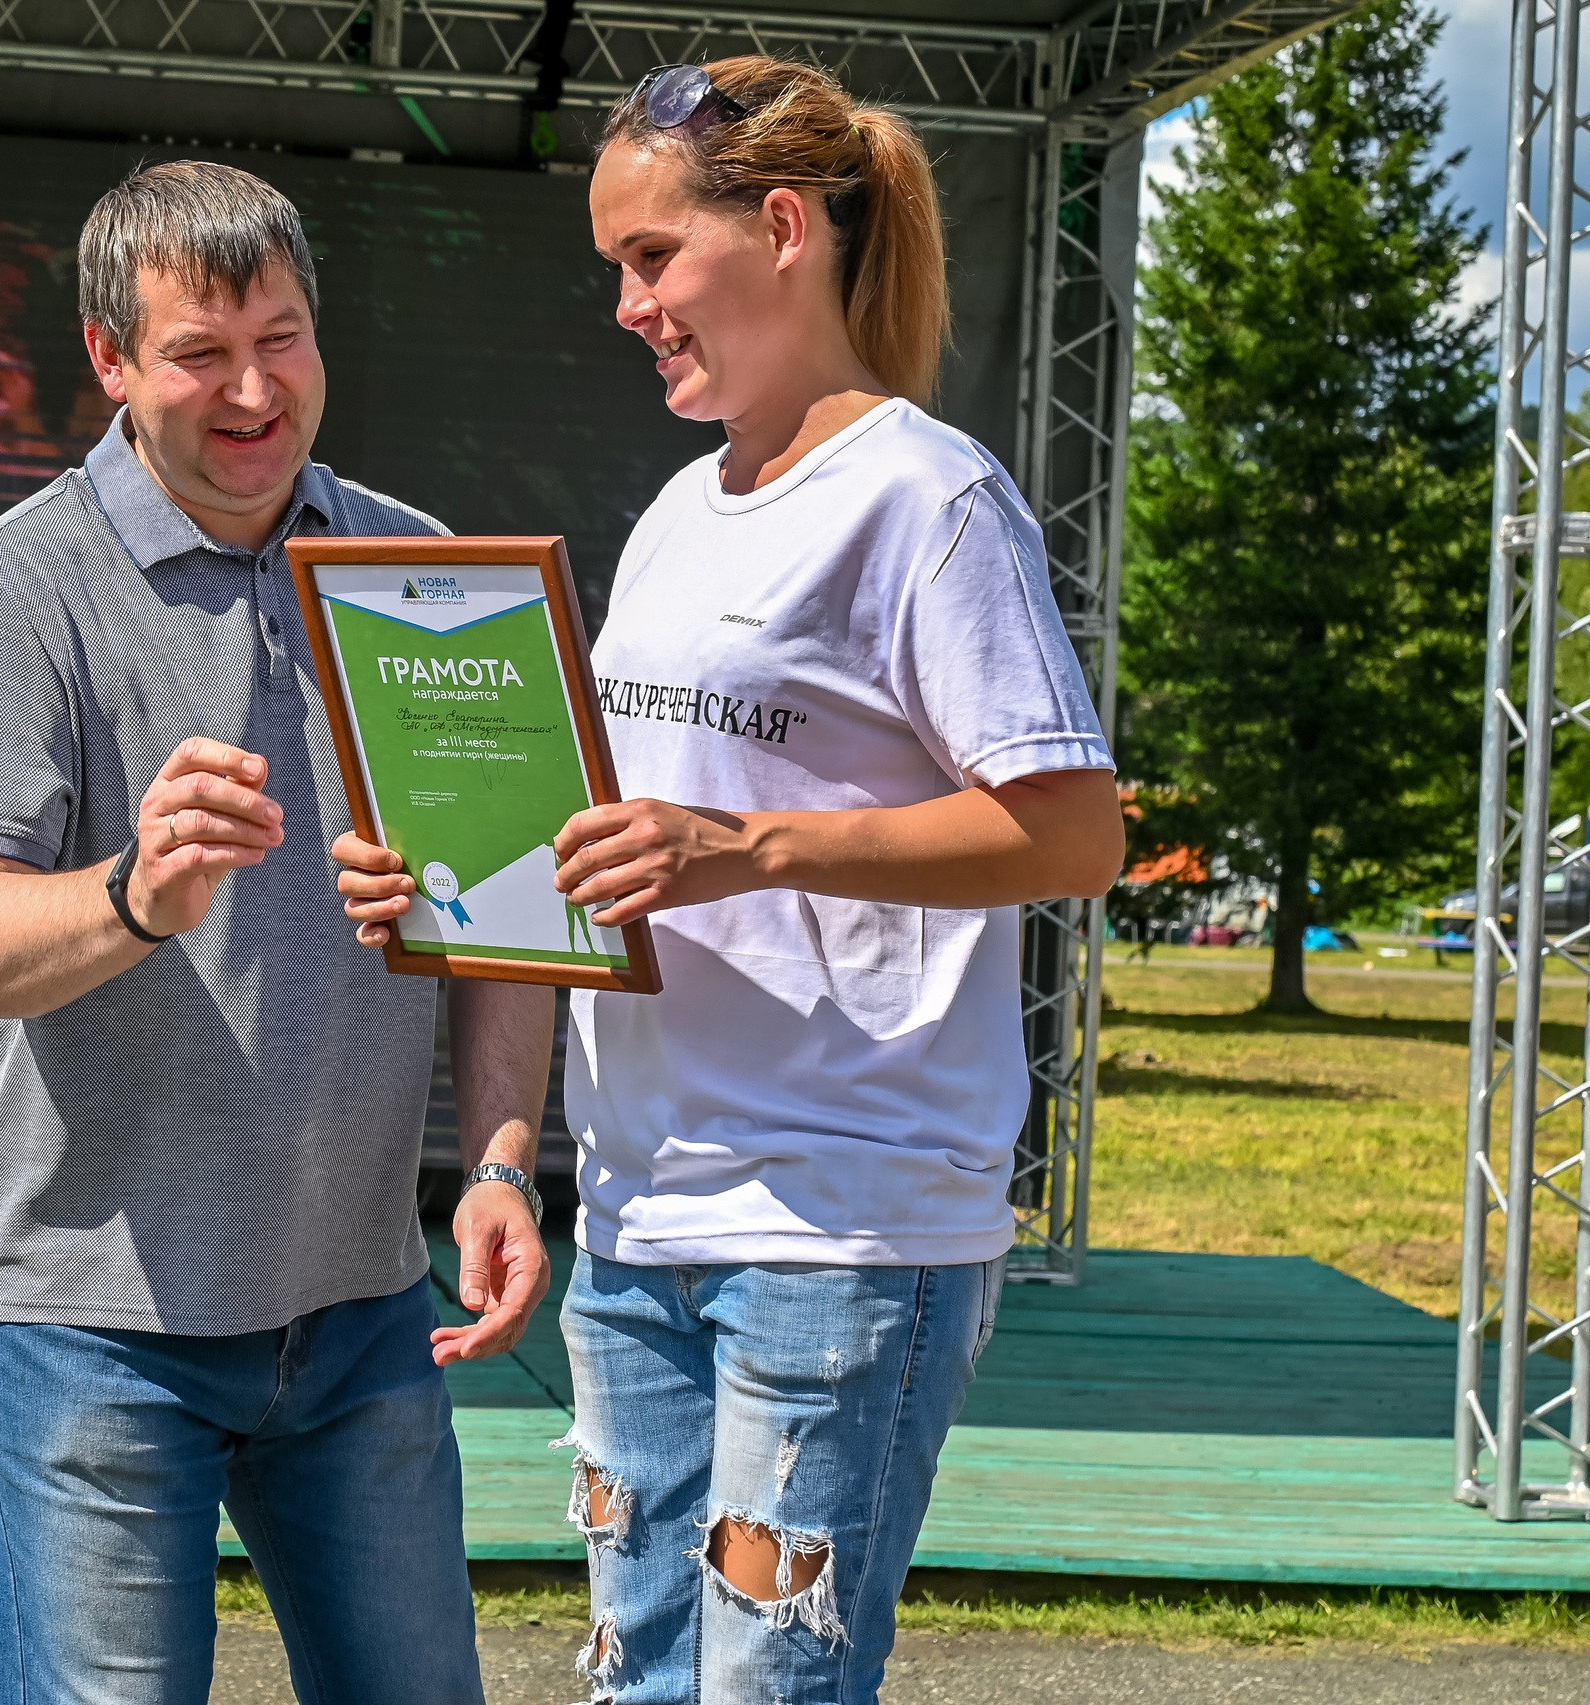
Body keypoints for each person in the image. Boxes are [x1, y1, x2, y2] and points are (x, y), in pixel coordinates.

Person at [337, 57, 1125, 1705]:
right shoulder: (685, 511)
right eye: (615, 266)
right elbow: (579, 854)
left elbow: (1072, 831)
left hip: (842, 1223)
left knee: (772, 1691)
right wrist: (446, 892)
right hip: (638, 1215)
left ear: (780, 228)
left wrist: (751, 846)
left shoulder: (931, 497)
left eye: (649, 258)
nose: (627, 305)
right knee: (639, 1685)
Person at [0, 160, 555, 1705]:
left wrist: (508, 1158)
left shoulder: (425, 573)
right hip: (87, 1324)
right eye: (202, 351)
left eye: (285, 335)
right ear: (113, 363)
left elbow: (519, 907)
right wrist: (136, 894)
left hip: (359, 1309)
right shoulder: (22, 586)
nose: (255, 388)